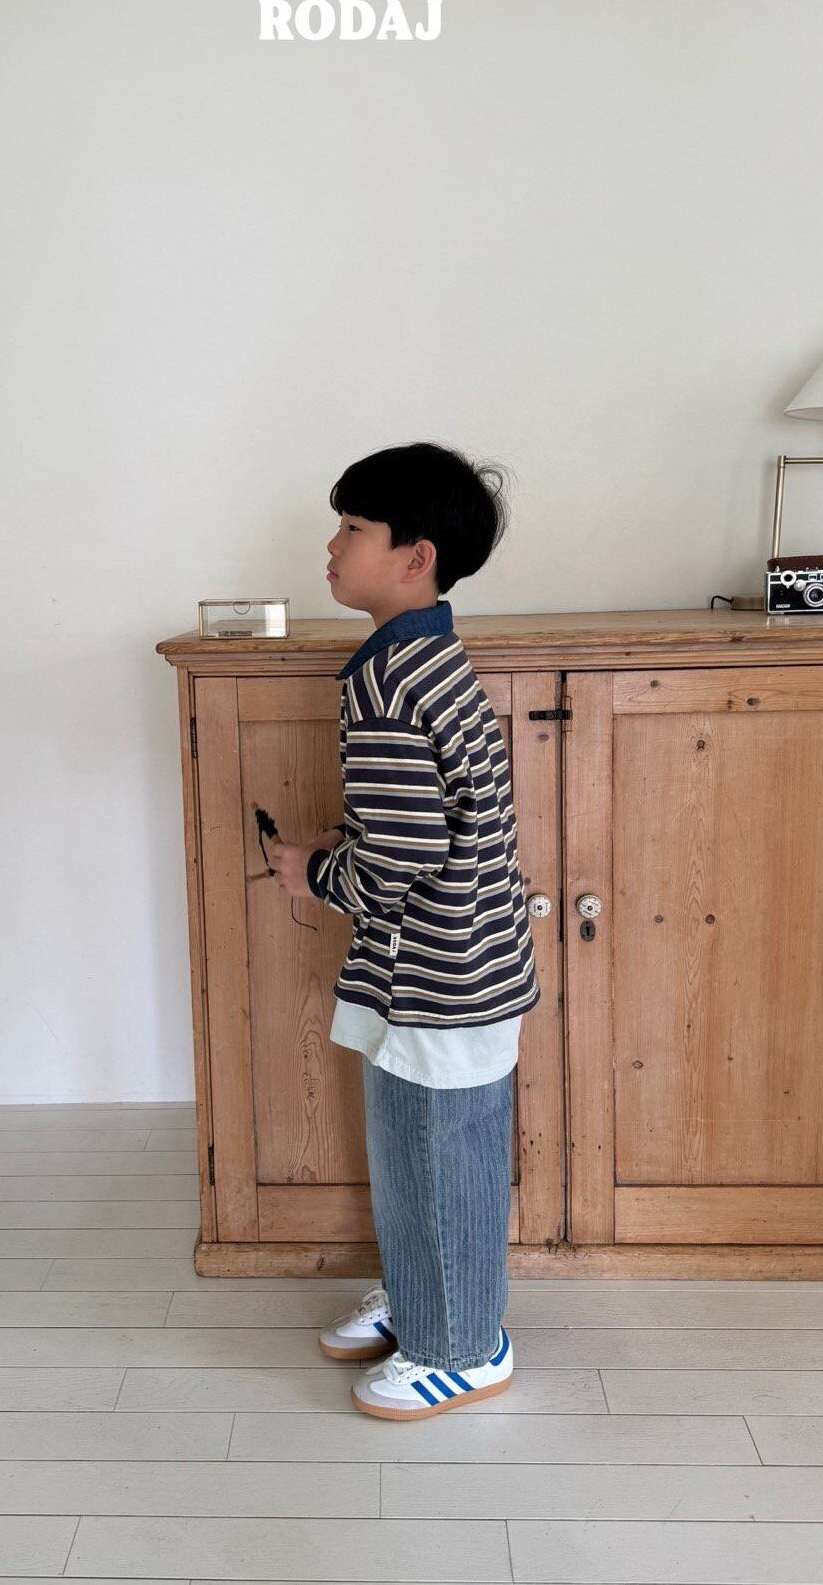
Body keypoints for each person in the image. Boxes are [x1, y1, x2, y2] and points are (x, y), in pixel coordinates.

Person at [269, 441, 540, 1421]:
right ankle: (424, 1296)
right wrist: (346, 850)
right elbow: (419, 827)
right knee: (411, 1154)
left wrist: (311, 871)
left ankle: (461, 1345)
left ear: (414, 557)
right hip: (446, 966)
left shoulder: (386, 683)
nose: (330, 547)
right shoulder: (419, 660)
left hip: (441, 978)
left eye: (352, 528)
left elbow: (402, 857)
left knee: (437, 1161)